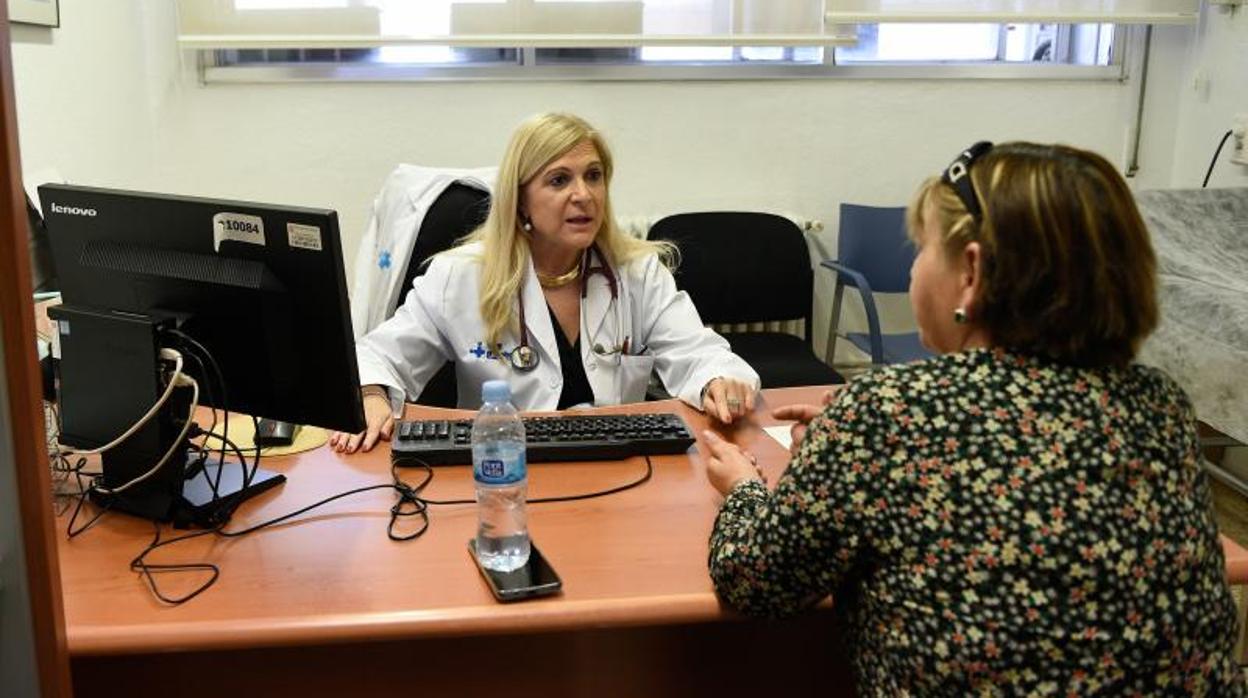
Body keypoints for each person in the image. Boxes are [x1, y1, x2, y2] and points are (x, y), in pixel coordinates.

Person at [702, 142, 1245, 694]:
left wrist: (744, 487)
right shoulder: (1163, 404)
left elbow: (756, 582)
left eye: (921, 249)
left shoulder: (889, 413)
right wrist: (851, 452)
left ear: (971, 271)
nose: (914, 268)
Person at [332, 113, 760, 453]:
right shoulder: (458, 277)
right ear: (520, 200)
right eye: (559, 180)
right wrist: (371, 394)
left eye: (593, 176)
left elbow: (697, 352)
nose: (584, 195)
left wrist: (717, 380)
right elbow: (377, 354)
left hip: (620, 468)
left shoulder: (636, 273)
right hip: (502, 470)